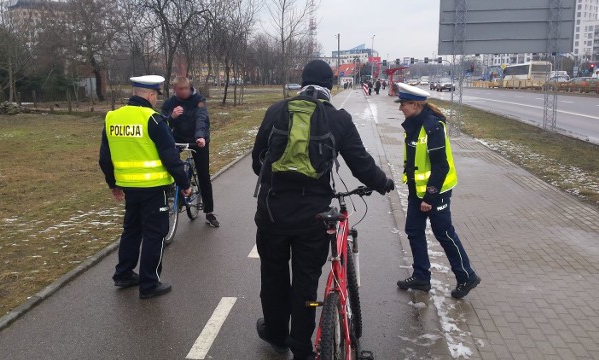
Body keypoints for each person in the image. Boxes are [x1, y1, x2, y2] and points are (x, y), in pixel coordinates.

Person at [252, 60, 395, 360]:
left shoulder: (277, 111)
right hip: (313, 217)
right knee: (306, 281)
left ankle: (277, 336)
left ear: (302, 83)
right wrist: (383, 183)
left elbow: (257, 160)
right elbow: (361, 163)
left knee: (273, 276)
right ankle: (301, 346)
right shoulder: (338, 119)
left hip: (272, 212)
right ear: (330, 85)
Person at [99, 75, 191, 299]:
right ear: (150, 95)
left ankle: (123, 274)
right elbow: (170, 157)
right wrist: (184, 183)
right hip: (154, 188)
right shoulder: (153, 120)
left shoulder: (113, 118)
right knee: (154, 234)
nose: (156, 101)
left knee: (131, 230)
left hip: (128, 187)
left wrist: (113, 183)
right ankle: (149, 284)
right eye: (156, 96)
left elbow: (104, 157)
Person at [394, 83, 481, 299]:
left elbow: (440, 166)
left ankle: (466, 275)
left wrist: (430, 196)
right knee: (413, 231)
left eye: (402, 104)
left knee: (444, 233)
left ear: (414, 104)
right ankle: (421, 276)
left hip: (435, 192)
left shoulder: (432, 127)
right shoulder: (414, 124)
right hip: (417, 191)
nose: (400, 108)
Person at [161, 76, 219, 228]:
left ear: (190, 87)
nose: (184, 91)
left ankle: (209, 211)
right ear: (175, 90)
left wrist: (200, 136)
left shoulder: (198, 100)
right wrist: (171, 117)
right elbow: (162, 124)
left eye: (186, 88)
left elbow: (202, 118)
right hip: (176, 139)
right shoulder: (170, 103)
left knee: (203, 174)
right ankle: (178, 192)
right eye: (180, 89)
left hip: (198, 140)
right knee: (171, 166)